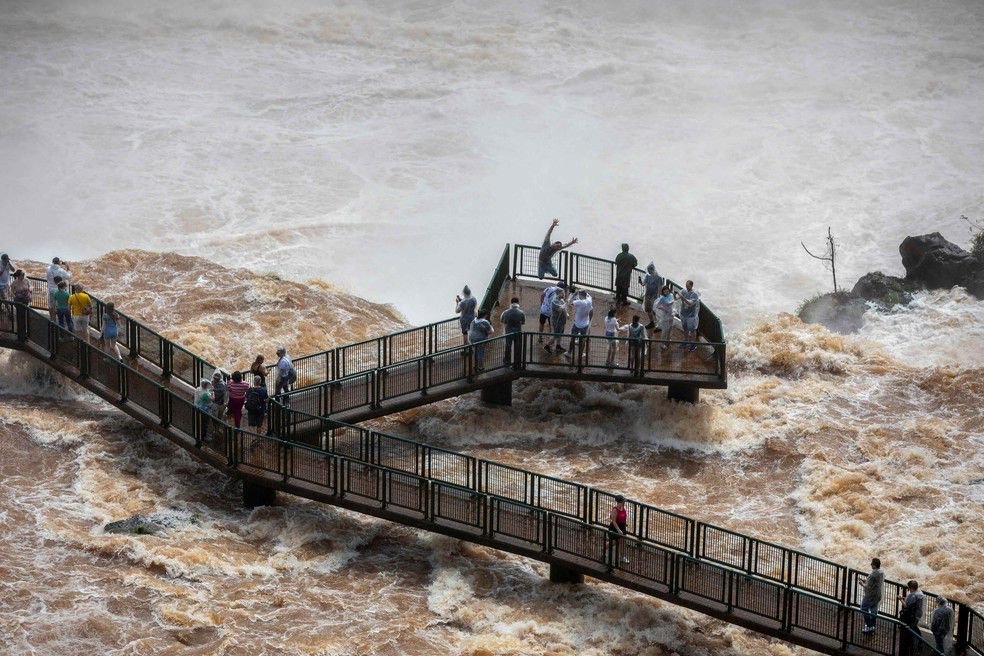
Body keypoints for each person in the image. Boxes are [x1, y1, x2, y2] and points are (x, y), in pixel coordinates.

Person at [898, 580, 925, 656]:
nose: (908, 590)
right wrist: (904, 598)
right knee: (914, 627)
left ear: (911, 588)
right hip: (917, 615)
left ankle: (914, 644)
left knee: (910, 629)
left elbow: (906, 606)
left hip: (911, 616)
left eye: (909, 588)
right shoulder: (920, 593)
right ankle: (919, 641)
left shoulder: (912, 596)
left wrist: (901, 599)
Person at [567, 289, 593, 363]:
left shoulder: (579, 302)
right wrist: (582, 292)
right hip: (585, 324)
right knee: (583, 340)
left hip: (577, 324)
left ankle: (569, 352)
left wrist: (575, 294)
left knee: (573, 337)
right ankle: (580, 354)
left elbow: (569, 302)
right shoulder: (589, 300)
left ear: (580, 296)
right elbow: (587, 295)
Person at [859, 557, 884, 633]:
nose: (870, 564)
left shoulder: (873, 574)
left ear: (875, 565)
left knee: (863, 608)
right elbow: (874, 583)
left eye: (872, 563)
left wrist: (862, 584)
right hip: (878, 595)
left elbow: (868, 587)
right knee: (873, 611)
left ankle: (869, 626)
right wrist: (866, 581)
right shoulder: (881, 572)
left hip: (870, 596)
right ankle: (873, 626)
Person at [499, 297, 525, 367]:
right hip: (518, 332)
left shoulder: (506, 312)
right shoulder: (521, 313)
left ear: (511, 303)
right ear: (518, 303)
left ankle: (507, 361)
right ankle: (517, 362)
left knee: (508, 347)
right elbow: (523, 322)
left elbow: (502, 320)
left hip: (508, 332)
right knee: (517, 347)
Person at [639, 263, 664, 329]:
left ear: (652, 269)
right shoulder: (647, 276)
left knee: (655, 311)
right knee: (648, 310)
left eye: (649, 270)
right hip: (648, 295)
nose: (649, 272)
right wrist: (640, 282)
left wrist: (659, 297)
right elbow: (644, 284)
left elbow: (660, 287)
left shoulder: (659, 277)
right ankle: (652, 322)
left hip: (655, 296)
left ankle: (659, 324)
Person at [679, 280, 701, 352]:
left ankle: (693, 344)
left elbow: (690, 303)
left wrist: (683, 298)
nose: (686, 287)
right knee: (685, 328)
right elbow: (677, 296)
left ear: (691, 286)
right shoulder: (684, 291)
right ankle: (686, 341)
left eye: (688, 286)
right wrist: (675, 294)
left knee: (692, 330)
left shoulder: (695, 294)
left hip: (691, 316)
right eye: (686, 285)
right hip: (683, 313)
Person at [545, 288, 568, 354]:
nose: (564, 294)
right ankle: (547, 346)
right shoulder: (554, 301)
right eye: (562, 293)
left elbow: (564, 309)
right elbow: (560, 309)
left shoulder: (561, 300)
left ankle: (558, 346)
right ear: (558, 293)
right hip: (557, 321)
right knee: (555, 335)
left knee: (560, 334)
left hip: (562, 321)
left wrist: (567, 314)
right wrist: (567, 303)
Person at [608, 494, 630, 564]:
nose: (624, 502)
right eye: (623, 501)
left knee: (623, 541)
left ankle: (622, 557)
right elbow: (613, 521)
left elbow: (623, 516)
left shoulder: (623, 507)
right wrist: (618, 530)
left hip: (622, 526)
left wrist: (624, 523)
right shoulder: (615, 510)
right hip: (615, 527)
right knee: (613, 542)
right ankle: (604, 549)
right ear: (620, 502)